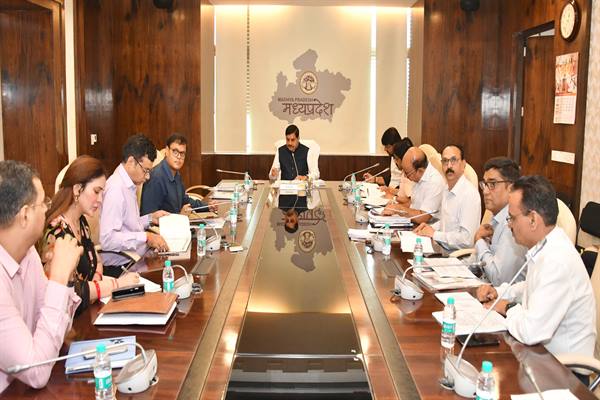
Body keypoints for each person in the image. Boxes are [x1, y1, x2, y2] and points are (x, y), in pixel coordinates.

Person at [476, 176, 596, 363]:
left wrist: (507, 307)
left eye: (512, 218)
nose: (509, 224)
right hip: (538, 356)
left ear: (533, 219)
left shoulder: (557, 260)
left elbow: (530, 331)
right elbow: (532, 286)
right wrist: (499, 293)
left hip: (563, 370)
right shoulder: (545, 245)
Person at [0, 160, 82, 393]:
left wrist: (65, 281)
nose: (48, 208)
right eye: (43, 202)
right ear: (25, 215)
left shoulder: (28, 255)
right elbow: (36, 372)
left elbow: (58, 329)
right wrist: (58, 280)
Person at [41, 156, 140, 316]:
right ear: (77, 189)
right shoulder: (57, 232)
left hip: (90, 310)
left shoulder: (81, 222)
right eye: (96, 192)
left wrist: (95, 284)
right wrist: (117, 285)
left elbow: (97, 261)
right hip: (69, 320)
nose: (100, 200)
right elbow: (71, 292)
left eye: (102, 193)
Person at [100, 134, 170, 272]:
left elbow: (127, 226)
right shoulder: (116, 189)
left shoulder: (129, 185)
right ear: (132, 161)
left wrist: (150, 218)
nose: (147, 176)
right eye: (146, 170)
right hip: (123, 268)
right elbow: (108, 239)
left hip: (137, 258)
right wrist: (146, 237)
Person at [414, 144, 481, 250]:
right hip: (443, 249)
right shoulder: (446, 189)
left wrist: (434, 234)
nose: (449, 166)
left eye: (453, 160)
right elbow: (446, 223)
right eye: (445, 161)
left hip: (458, 256)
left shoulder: (469, 194)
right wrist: (429, 228)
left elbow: (467, 239)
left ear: (463, 164)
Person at [474, 157, 527, 285]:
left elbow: (498, 278)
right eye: (485, 184)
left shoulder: (513, 223)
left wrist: (479, 241)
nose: (485, 191)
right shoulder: (497, 215)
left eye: (492, 184)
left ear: (511, 188)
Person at [141, 133, 211, 215]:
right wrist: (180, 217)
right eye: (175, 152)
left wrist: (208, 207)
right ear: (167, 151)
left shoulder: (176, 174)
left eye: (182, 153)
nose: (179, 157)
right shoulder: (156, 177)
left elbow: (185, 200)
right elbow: (149, 217)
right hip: (167, 223)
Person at [383, 146, 446, 225]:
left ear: (420, 171)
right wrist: (394, 206)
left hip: (428, 227)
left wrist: (399, 209)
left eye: (407, 174)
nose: (406, 177)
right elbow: (413, 204)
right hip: (415, 224)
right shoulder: (419, 176)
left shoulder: (435, 182)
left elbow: (423, 217)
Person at [363, 127, 414, 198]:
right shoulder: (393, 156)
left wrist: (389, 191)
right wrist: (375, 179)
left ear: (395, 144)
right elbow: (392, 178)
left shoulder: (406, 165)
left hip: (396, 196)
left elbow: (405, 193)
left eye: (387, 146)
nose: (385, 149)